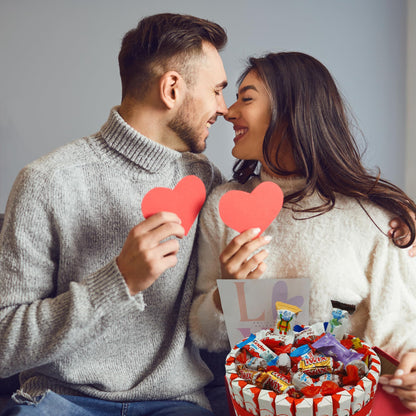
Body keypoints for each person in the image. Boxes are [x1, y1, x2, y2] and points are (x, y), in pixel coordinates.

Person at [0, 13, 229, 416]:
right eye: (216, 91)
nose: (223, 109)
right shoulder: (46, 181)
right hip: (60, 401)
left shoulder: (206, 180)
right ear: (172, 88)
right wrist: (118, 281)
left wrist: (378, 206)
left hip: (175, 403)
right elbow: (3, 342)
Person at [189, 52, 416, 411]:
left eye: (246, 98)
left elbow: (400, 331)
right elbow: (204, 334)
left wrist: (411, 370)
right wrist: (227, 292)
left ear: (293, 110)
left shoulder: (374, 217)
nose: (229, 112)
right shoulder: (224, 206)